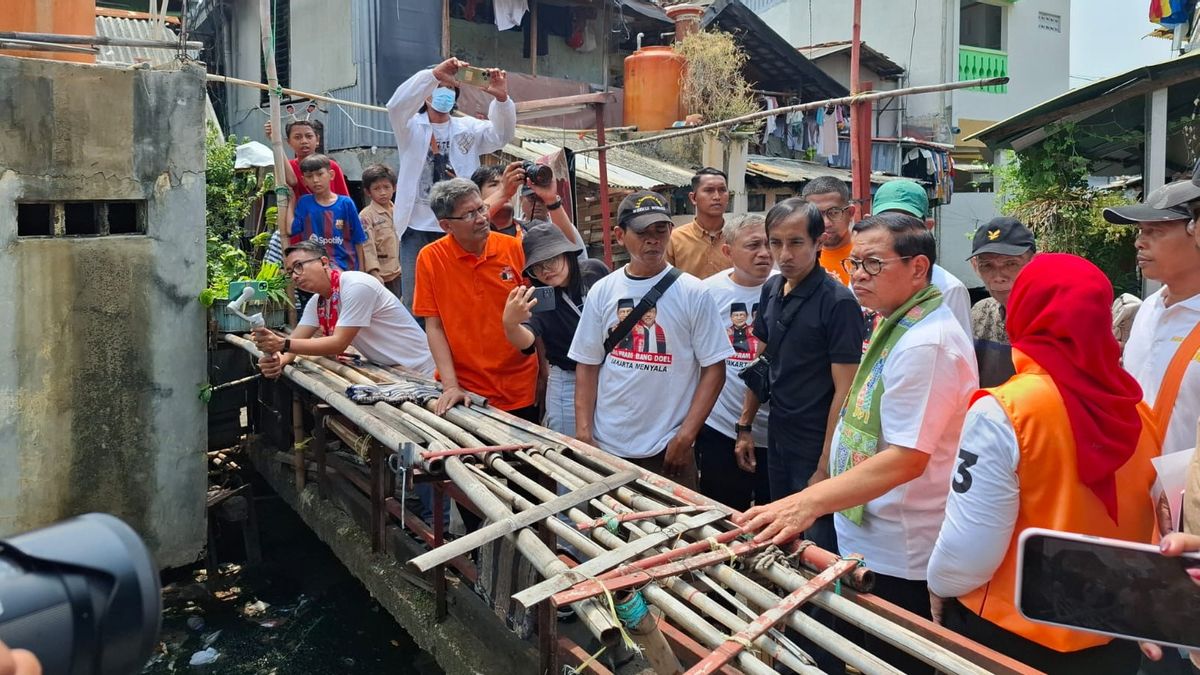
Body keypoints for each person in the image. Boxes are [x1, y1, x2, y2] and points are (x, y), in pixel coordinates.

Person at [735, 212, 977, 674]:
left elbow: (906, 459)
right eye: (854, 264)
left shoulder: (927, 341)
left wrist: (809, 500)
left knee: (894, 659)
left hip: (902, 548)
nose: (858, 276)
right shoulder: (899, 320)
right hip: (871, 529)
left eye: (872, 265)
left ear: (918, 268)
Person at [926, 253, 1159, 675]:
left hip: (1011, 630)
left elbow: (971, 549)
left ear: (1024, 312)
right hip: (1113, 633)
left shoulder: (1005, 411)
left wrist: (940, 587)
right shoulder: (1139, 409)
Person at [570, 190, 732, 489]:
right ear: (620, 235)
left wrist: (686, 436)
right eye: (642, 232)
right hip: (607, 444)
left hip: (667, 448)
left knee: (677, 532)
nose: (653, 240)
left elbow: (714, 369)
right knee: (603, 531)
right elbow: (588, 364)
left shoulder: (693, 292)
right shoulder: (603, 291)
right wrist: (584, 433)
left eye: (661, 230)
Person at [735, 200, 864, 546]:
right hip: (778, 432)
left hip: (816, 439)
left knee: (817, 540)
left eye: (795, 243)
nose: (784, 254)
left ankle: (816, 602)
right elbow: (761, 363)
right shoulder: (772, 289)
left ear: (818, 242)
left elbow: (845, 390)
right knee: (782, 531)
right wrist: (745, 426)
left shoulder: (838, 303)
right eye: (775, 243)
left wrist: (824, 467)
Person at [387, 58, 515, 309]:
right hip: (417, 227)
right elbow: (396, 106)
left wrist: (501, 99)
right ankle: (422, 348)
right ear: (425, 95)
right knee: (417, 300)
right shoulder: (410, 128)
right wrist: (433, 74)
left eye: (449, 88)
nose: (444, 93)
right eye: (438, 87)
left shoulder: (469, 129)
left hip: (459, 226)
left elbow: (502, 135)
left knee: (460, 295)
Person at [414, 178, 538, 420]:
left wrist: (544, 376)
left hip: (519, 384)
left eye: (481, 208)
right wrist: (451, 386)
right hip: (466, 388)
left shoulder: (514, 248)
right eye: (469, 214)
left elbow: (537, 317)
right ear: (446, 225)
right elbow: (434, 326)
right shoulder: (430, 259)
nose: (482, 218)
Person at [1107, 179, 1200, 456]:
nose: (1139, 242)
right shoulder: (1148, 308)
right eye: (1139, 231)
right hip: (1137, 488)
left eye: (1155, 231)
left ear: (1195, 231)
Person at [253, 241, 435, 377]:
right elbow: (294, 343)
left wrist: (282, 344)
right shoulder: (319, 301)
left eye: (299, 266)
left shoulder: (356, 285)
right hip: (393, 372)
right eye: (290, 272)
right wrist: (279, 361)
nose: (295, 276)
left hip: (422, 370)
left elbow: (338, 343)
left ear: (324, 262)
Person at [501, 222, 609, 436]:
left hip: (609, 374)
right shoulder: (538, 299)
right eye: (537, 266)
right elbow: (527, 339)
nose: (545, 270)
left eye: (551, 259)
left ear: (566, 253)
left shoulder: (595, 271)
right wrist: (510, 324)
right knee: (571, 448)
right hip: (568, 380)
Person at [696, 214, 775, 510]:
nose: (765, 253)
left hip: (778, 430)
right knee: (723, 511)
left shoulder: (790, 286)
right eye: (753, 245)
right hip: (721, 427)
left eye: (769, 244)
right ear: (728, 251)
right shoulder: (706, 292)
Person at [871, 179, 972, 335]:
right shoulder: (860, 280)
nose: (895, 231)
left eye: (906, 222)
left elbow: (959, 354)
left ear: (927, 227)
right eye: (886, 221)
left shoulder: (949, 289)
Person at [966, 216, 1036, 388]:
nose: (998, 277)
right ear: (975, 266)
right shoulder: (979, 313)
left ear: (1034, 261)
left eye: (1011, 264)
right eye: (987, 266)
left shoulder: (1054, 316)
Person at [471, 161, 583, 247]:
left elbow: (568, 246)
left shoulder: (532, 231)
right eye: (494, 184)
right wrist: (503, 193)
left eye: (508, 183)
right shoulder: (469, 233)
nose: (507, 187)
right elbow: (471, 222)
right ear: (477, 195)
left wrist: (551, 199)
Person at [288, 154, 367, 272]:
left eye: (320, 174)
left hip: (345, 270)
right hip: (315, 272)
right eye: (309, 176)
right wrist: (291, 200)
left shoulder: (346, 203)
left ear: (331, 175)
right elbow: (290, 230)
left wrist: (361, 271)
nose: (315, 180)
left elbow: (358, 239)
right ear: (304, 181)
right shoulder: (304, 203)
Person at [665, 168, 732, 278]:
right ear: (693, 198)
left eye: (722, 190)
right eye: (709, 190)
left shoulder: (737, 238)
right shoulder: (674, 239)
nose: (717, 197)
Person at [264, 118, 351, 198]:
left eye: (309, 136)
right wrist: (274, 139)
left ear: (317, 140)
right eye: (297, 137)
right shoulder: (287, 167)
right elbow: (292, 182)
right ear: (289, 142)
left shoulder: (331, 165)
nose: (304, 141)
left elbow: (344, 198)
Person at [800, 176, 856, 285]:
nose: (826, 223)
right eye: (817, 214)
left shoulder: (866, 256)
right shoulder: (801, 257)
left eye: (834, 212)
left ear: (850, 213)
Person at [358, 164, 402, 298]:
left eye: (386, 187)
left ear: (394, 188)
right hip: (382, 274)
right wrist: (374, 272)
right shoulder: (366, 216)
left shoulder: (400, 210)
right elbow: (367, 246)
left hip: (400, 271)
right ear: (368, 192)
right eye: (377, 188)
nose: (382, 192)